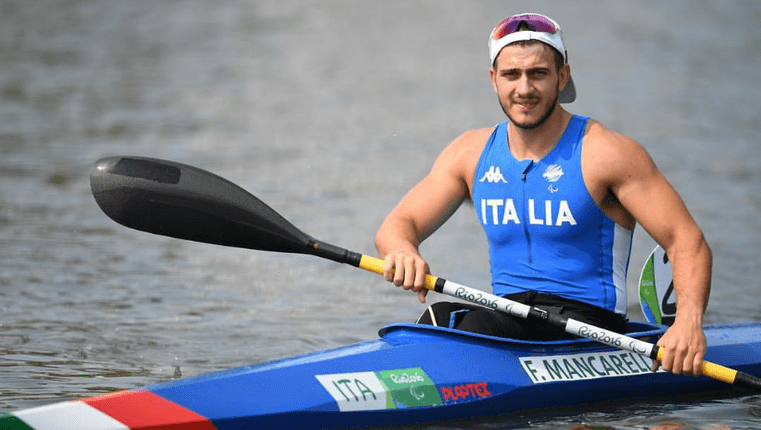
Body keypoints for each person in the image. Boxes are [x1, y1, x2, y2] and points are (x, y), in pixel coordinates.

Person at [374, 13, 712, 377]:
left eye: (537, 73)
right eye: (511, 75)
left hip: (587, 330)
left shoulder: (606, 153)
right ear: (493, 79)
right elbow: (399, 225)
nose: (524, 89)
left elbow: (686, 240)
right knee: (437, 318)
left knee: (462, 327)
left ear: (562, 76)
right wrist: (402, 250)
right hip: (510, 321)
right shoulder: (469, 154)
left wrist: (688, 323)